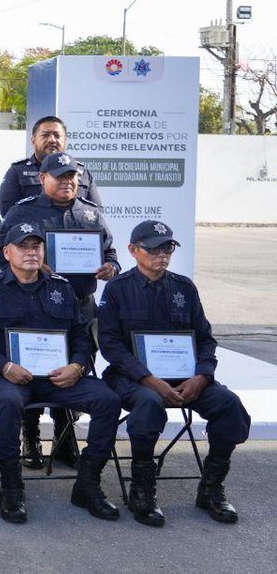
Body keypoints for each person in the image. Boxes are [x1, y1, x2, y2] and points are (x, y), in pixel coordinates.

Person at [0, 222, 121, 524]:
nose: (31, 252)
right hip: (8, 378)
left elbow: (80, 335)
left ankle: (88, 484)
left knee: (108, 399)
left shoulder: (61, 289)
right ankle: (11, 486)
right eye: (23, 247)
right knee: (9, 403)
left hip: (58, 379)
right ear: (7, 253)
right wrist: (5, 366)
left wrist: (77, 366)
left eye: (36, 247)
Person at [99, 220, 250, 526]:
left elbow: (205, 339)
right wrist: (148, 379)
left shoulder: (184, 288)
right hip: (133, 378)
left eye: (167, 247)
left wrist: (202, 377)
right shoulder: (118, 290)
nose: (162, 254)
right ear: (133, 250)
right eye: (154, 248)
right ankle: (142, 489)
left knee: (229, 405)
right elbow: (111, 346)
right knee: (149, 404)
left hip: (186, 378)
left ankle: (210, 489)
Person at [0, 151, 119, 468]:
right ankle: (31, 437)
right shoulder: (24, 212)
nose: (67, 182)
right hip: (34, 306)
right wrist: (32, 267)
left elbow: (112, 253)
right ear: (43, 178)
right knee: (34, 368)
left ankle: (65, 439)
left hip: (79, 306)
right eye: (60, 176)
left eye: (72, 176)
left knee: (73, 371)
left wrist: (110, 267)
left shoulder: (91, 214)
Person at [0, 115, 102, 216]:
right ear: (33, 141)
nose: (52, 140)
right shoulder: (18, 171)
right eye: (45, 135)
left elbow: (95, 212)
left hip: (74, 231)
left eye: (57, 135)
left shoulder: (81, 172)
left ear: (65, 141)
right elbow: (8, 211)